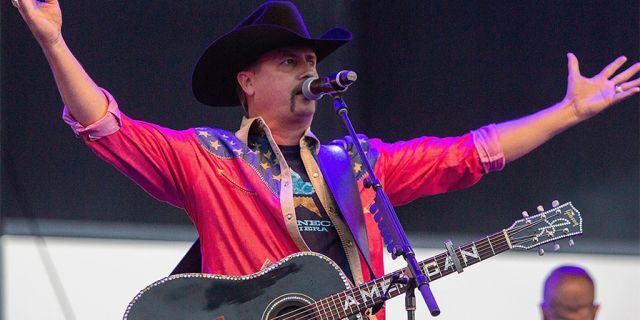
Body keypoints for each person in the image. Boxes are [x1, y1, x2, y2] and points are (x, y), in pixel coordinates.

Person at [12, 0, 639, 319]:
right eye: (290, 62)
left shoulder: (357, 163)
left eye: (312, 62)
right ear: (248, 83)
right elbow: (105, 125)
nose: (309, 71)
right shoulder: (208, 159)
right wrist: (54, 41)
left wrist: (568, 113)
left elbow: (469, 154)